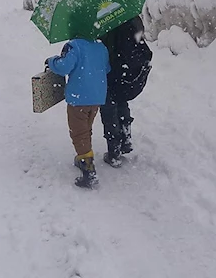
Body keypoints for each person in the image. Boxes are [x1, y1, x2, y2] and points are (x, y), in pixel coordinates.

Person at [46, 37, 110, 189]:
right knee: (86, 128)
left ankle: (88, 169)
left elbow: (64, 67)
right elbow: (106, 68)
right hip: (97, 96)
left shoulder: (74, 46)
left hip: (79, 97)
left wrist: (51, 61)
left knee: (78, 132)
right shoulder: (101, 46)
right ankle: (83, 155)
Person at [100, 16, 153, 168]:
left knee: (108, 108)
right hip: (129, 70)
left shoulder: (104, 19)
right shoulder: (129, 14)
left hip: (113, 69)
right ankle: (126, 138)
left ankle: (114, 151)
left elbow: (105, 47)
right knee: (121, 100)